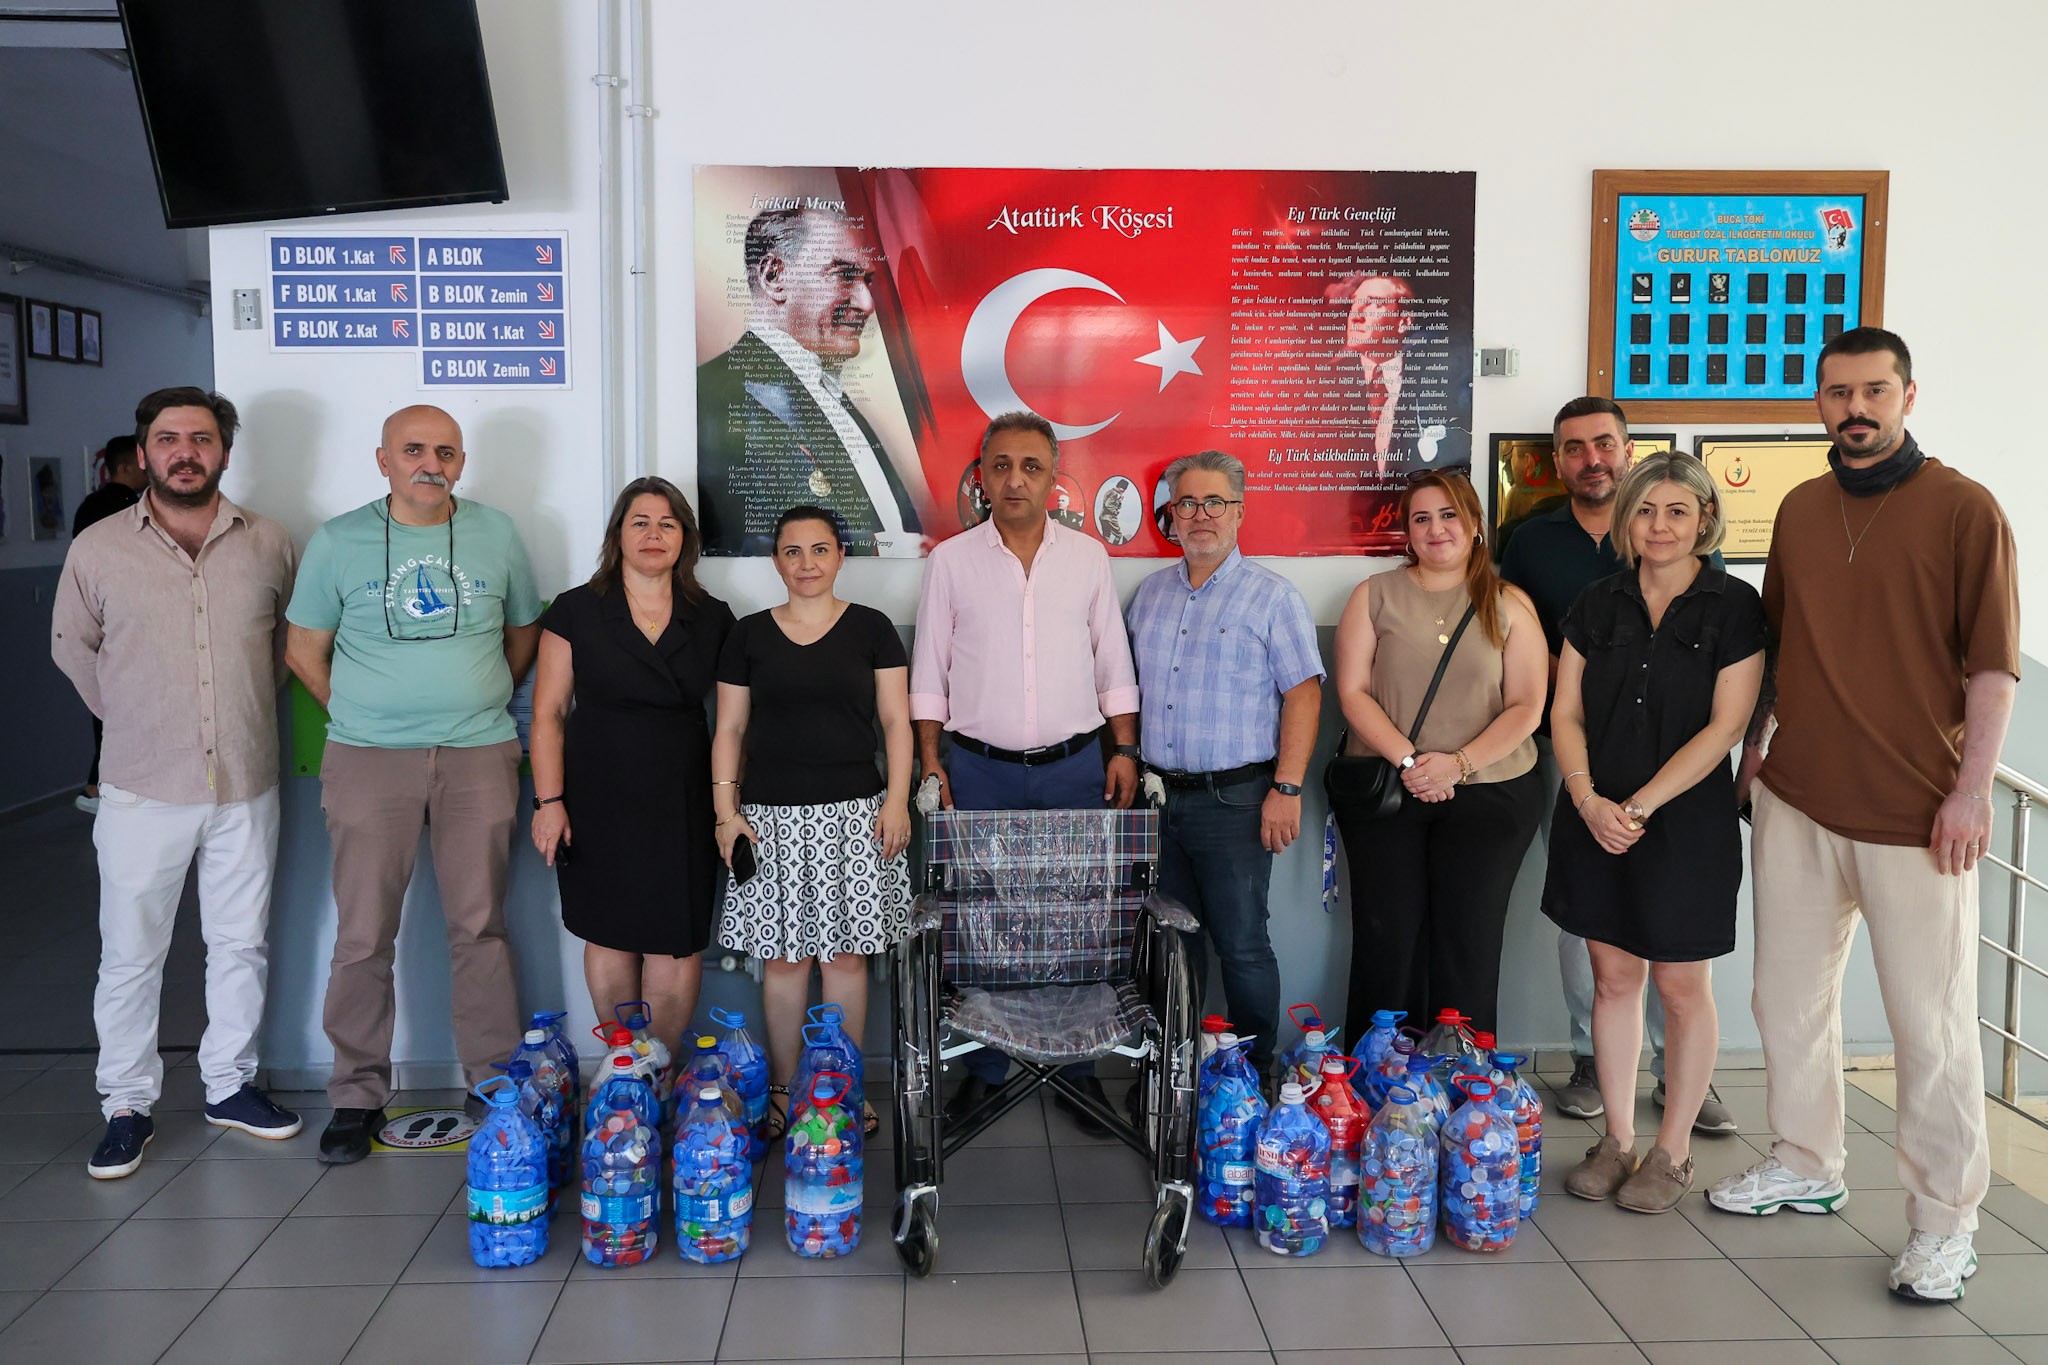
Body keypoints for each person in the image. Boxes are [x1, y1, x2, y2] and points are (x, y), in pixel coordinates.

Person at [1710, 328, 2019, 1303]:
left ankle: (1944, 1223)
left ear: (1907, 396)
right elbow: (1782, 643)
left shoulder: (1965, 509)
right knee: (1784, 1002)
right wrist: (1756, 746)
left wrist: (1972, 789)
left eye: (1874, 391)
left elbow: (1992, 669)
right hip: (1799, 798)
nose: (1855, 408)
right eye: (1838, 392)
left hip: (1916, 813)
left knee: (1930, 1029)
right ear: (1818, 401)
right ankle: (1806, 1161)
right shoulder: (1800, 508)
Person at [51, 387, 302, 1178]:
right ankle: (126, 1104)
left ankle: (229, 1085)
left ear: (224, 451)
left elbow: (285, 651)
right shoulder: (98, 547)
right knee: (131, 954)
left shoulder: (270, 542)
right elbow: (72, 648)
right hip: (141, 786)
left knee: (240, 942)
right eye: (168, 439)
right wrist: (136, 719)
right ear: (144, 452)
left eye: (200, 438)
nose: (184, 452)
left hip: (246, 781)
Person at [285, 405, 543, 1164]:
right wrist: (361, 714)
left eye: (446, 452)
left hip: (478, 753)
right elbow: (303, 650)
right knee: (364, 934)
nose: (432, 464)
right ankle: (355, 1094)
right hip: (368, 759)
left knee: (481, 926)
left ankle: (492, 1082)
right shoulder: (338, 540)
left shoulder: (497, 532)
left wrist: (479, 698)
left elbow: (523, 633)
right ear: (383, 460)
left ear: (461, 462)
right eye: (414, 450)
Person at [1499, 398, 1736, 1133]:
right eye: (1574, 448)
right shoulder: (1535, 546)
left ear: (1628, 451)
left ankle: (1676, 1074)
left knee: (1674, 936)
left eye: (1604, 443)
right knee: (1592, 924)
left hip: (1679, 783)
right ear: (1557, 460)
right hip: (1574, 761)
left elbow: (1725, 707)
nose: (1591, 458)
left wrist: (1642, 801)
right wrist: (1586, 785)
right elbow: (1521, 644)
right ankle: (1591, 1063)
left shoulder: (1720, 590)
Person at [910, 411, 1141, 1132]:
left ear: (1052, 478)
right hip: (978, 772)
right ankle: (986, 1069)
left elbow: (1113, 663)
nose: (1015, 479)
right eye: (1001, 465)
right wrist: (930, 763)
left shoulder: (1088, 559)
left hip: (1075, 768)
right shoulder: (951, 561)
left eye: (1030, 466)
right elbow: (929, 673)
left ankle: (1077, 1071)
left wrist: (1124, 750)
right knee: (981, 921)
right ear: (981, 476)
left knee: (1075, 918)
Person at [1547, 453, 1765, 1214]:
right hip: (1594, 817)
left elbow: (1727, 726)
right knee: (1612, 979)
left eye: (1677, 510)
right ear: (1625, 519)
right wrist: (1588, 801)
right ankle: (1615, 1140)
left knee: (1679, 986)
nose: (1660, 525)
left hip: (1684, 825)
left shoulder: (1734, 605)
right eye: (1645, 510)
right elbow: (1564, 712)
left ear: (1705, 518)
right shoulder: (1596, 601)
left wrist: (1637, 807)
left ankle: (1671, 1153)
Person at [712, 505, 912, 1137]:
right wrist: (725, 814)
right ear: (776, 561)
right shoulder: (748, 635)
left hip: (856, 815)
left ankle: (840, 1089)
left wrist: (897, 801)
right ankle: (782, 1091)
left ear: (840, 557)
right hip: (768, 820)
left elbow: (896, 723)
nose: (806, 564)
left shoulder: (872, 628)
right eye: (792, 551)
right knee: (784, 962)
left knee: (847, 959)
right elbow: (730, 729)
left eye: (819, 550)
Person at [1126, 451, 1323, 1079]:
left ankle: (1252, 1078)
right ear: (1170, 515)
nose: (1201, 515)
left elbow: (1304, 696)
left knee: (1242, 945)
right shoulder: (1149, 596)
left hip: (1237, 801)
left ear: (1239, 512)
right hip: (1157, 801)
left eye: (1216, 502)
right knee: (1170, 942)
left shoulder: (1273, 597)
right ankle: (1176, 1072)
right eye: (1187, 503)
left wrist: (1287, 787)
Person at [1329, 469, 1544, 1032]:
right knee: (1387, 940)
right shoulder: (1374, 595)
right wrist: (1411, 762)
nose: (1436, 529)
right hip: (1388, 791)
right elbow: (1353, 693)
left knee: (1469, 943)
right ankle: (1379, 1072)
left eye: (1449, 515)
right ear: (1407, 532)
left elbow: (1526, 706)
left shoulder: (1509, 602)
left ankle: (1462, 1075)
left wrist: (1458, 764)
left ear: (1474, 524)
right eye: (1421, 518)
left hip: (1492, 793)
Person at [529, 477, 733, 1057]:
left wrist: (728, 807)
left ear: (685, 538)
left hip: (682, 796)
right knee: (609, 932)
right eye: (640, 522)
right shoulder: (576, 610)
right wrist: (549, 802)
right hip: (596, 794)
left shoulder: (713, 616)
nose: (653, 534)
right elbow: (547, 714)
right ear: (618, 534)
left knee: (676, 938)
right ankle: (623, 1064)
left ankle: (659, 1072)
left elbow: (735, 721)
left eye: (668, 524)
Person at [697, 206, 923, 557]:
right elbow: (734, 544)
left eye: (868, 281)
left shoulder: (829, 391)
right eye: (843, 275)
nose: (867, 304)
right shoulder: (707, 396)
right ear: (774, 276)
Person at [70, 434, 148, 814]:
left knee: (107, 705)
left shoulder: (88, 506)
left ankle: (98, 785)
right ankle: (102, 787)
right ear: (127, 465)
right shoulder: (127, 509)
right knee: (123, 705)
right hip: (123, 619)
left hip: (100, 616)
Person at [1329, 272, 1415, 470]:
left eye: (1373, 303)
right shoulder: (1324, 384)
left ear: (1403, 322)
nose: (1356, 315)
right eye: (1355, 302)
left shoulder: (1428, 382)